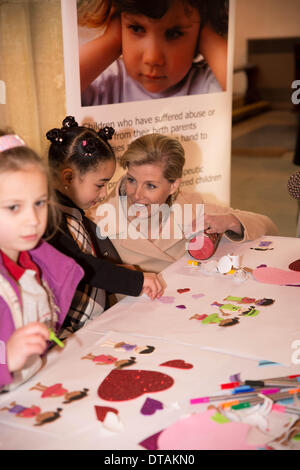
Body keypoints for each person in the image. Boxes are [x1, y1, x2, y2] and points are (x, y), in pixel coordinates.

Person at [88, 133, 279, 273]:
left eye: (151, 186)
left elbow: (269, 228)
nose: (137, 195)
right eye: (131, 180)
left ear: (173, 186)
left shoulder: (190, 207)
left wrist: (230, 221)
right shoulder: (97, 219)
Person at [45, 117, 163, 338]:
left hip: (90, 325)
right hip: (68, 333)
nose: (102, 194)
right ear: (68, 177)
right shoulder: (50, 220)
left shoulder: (71, 210)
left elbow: (87, 256)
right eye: (100, 185)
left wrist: (116, 270)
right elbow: (78, 264)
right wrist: (134, 281)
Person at [0, 131, 84, 391]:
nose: (33, 220)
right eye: (14, 207)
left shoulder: (38, 262)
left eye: (39, 203)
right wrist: (6, 358)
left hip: (29, 391)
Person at [78, 0, 228, 105]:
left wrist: (209, 37)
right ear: (118, 25)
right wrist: (111, 41)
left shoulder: (206, 84)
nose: (152, 58)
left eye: (174, 33)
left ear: (200, 34)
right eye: (136, 28)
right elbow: (59, 88)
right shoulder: (107, 84)